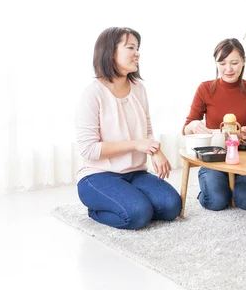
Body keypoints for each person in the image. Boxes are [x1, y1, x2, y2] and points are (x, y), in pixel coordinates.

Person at [75, 27, 182, 230]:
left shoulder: (138, 89)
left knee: (171, 207)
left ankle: (127, 198)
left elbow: (147, 128)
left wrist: (155, 151)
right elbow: (88, 150)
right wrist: (136, 144)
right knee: (138, 214)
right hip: (97, 174)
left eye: (138, 48)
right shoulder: (92, 94)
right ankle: (96, 209)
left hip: (135, 173)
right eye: (130, 47)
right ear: (110, 52)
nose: (137, 53)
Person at [183, 38, 246, 211]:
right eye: (222, 63)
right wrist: (195, 124)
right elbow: (186, 128)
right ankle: (210, 188)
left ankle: (230, 188)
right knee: (217, 202)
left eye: (234, 63)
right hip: (214, 157)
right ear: (216, 63)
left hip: (244, 159)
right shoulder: (205, 89)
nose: (228, 69)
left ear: (243, 61)